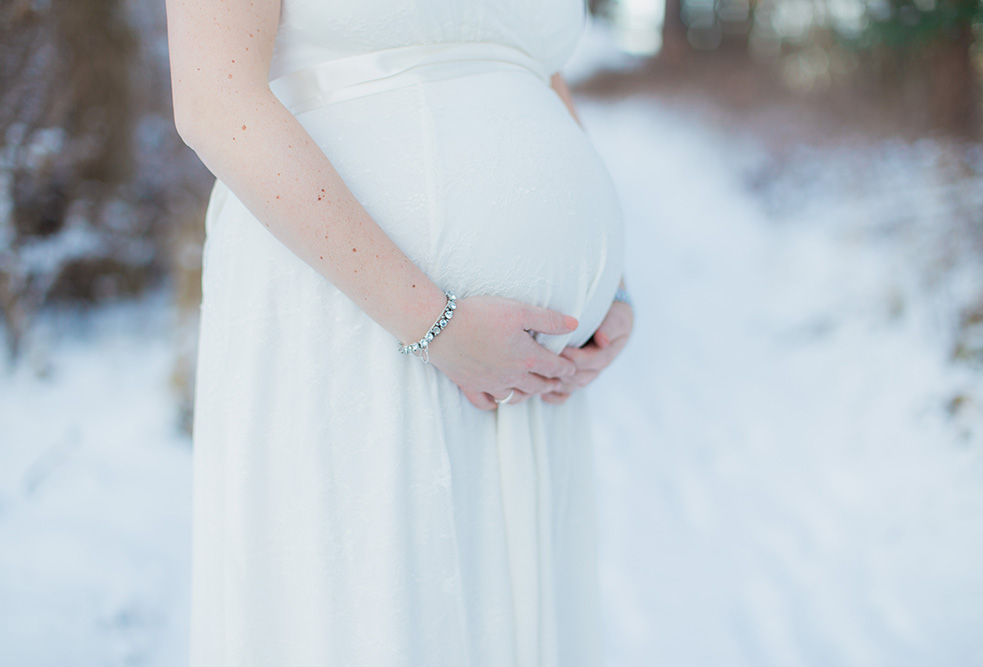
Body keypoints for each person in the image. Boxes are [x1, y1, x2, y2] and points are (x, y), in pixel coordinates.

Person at [165, 0, 633, 664]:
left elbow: (537, 73)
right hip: (352, 319)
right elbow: (215, 101)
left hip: (529, 381)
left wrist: (612, 285)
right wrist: (433, 324)